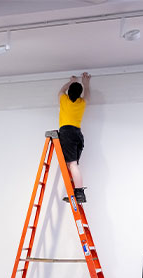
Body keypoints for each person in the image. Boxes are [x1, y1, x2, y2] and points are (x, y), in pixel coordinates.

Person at [58, 72, 90, 204]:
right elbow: (87, 93)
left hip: (67, 133)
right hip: (78, 134)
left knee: (72, 164)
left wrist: (71, 81)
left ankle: (79, 193)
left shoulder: (64, 100)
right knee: (73, 164)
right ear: (79, 94)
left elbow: (61, 90)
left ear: (70, 91)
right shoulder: (82, 103)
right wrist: (85, 82)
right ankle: (76, 192)